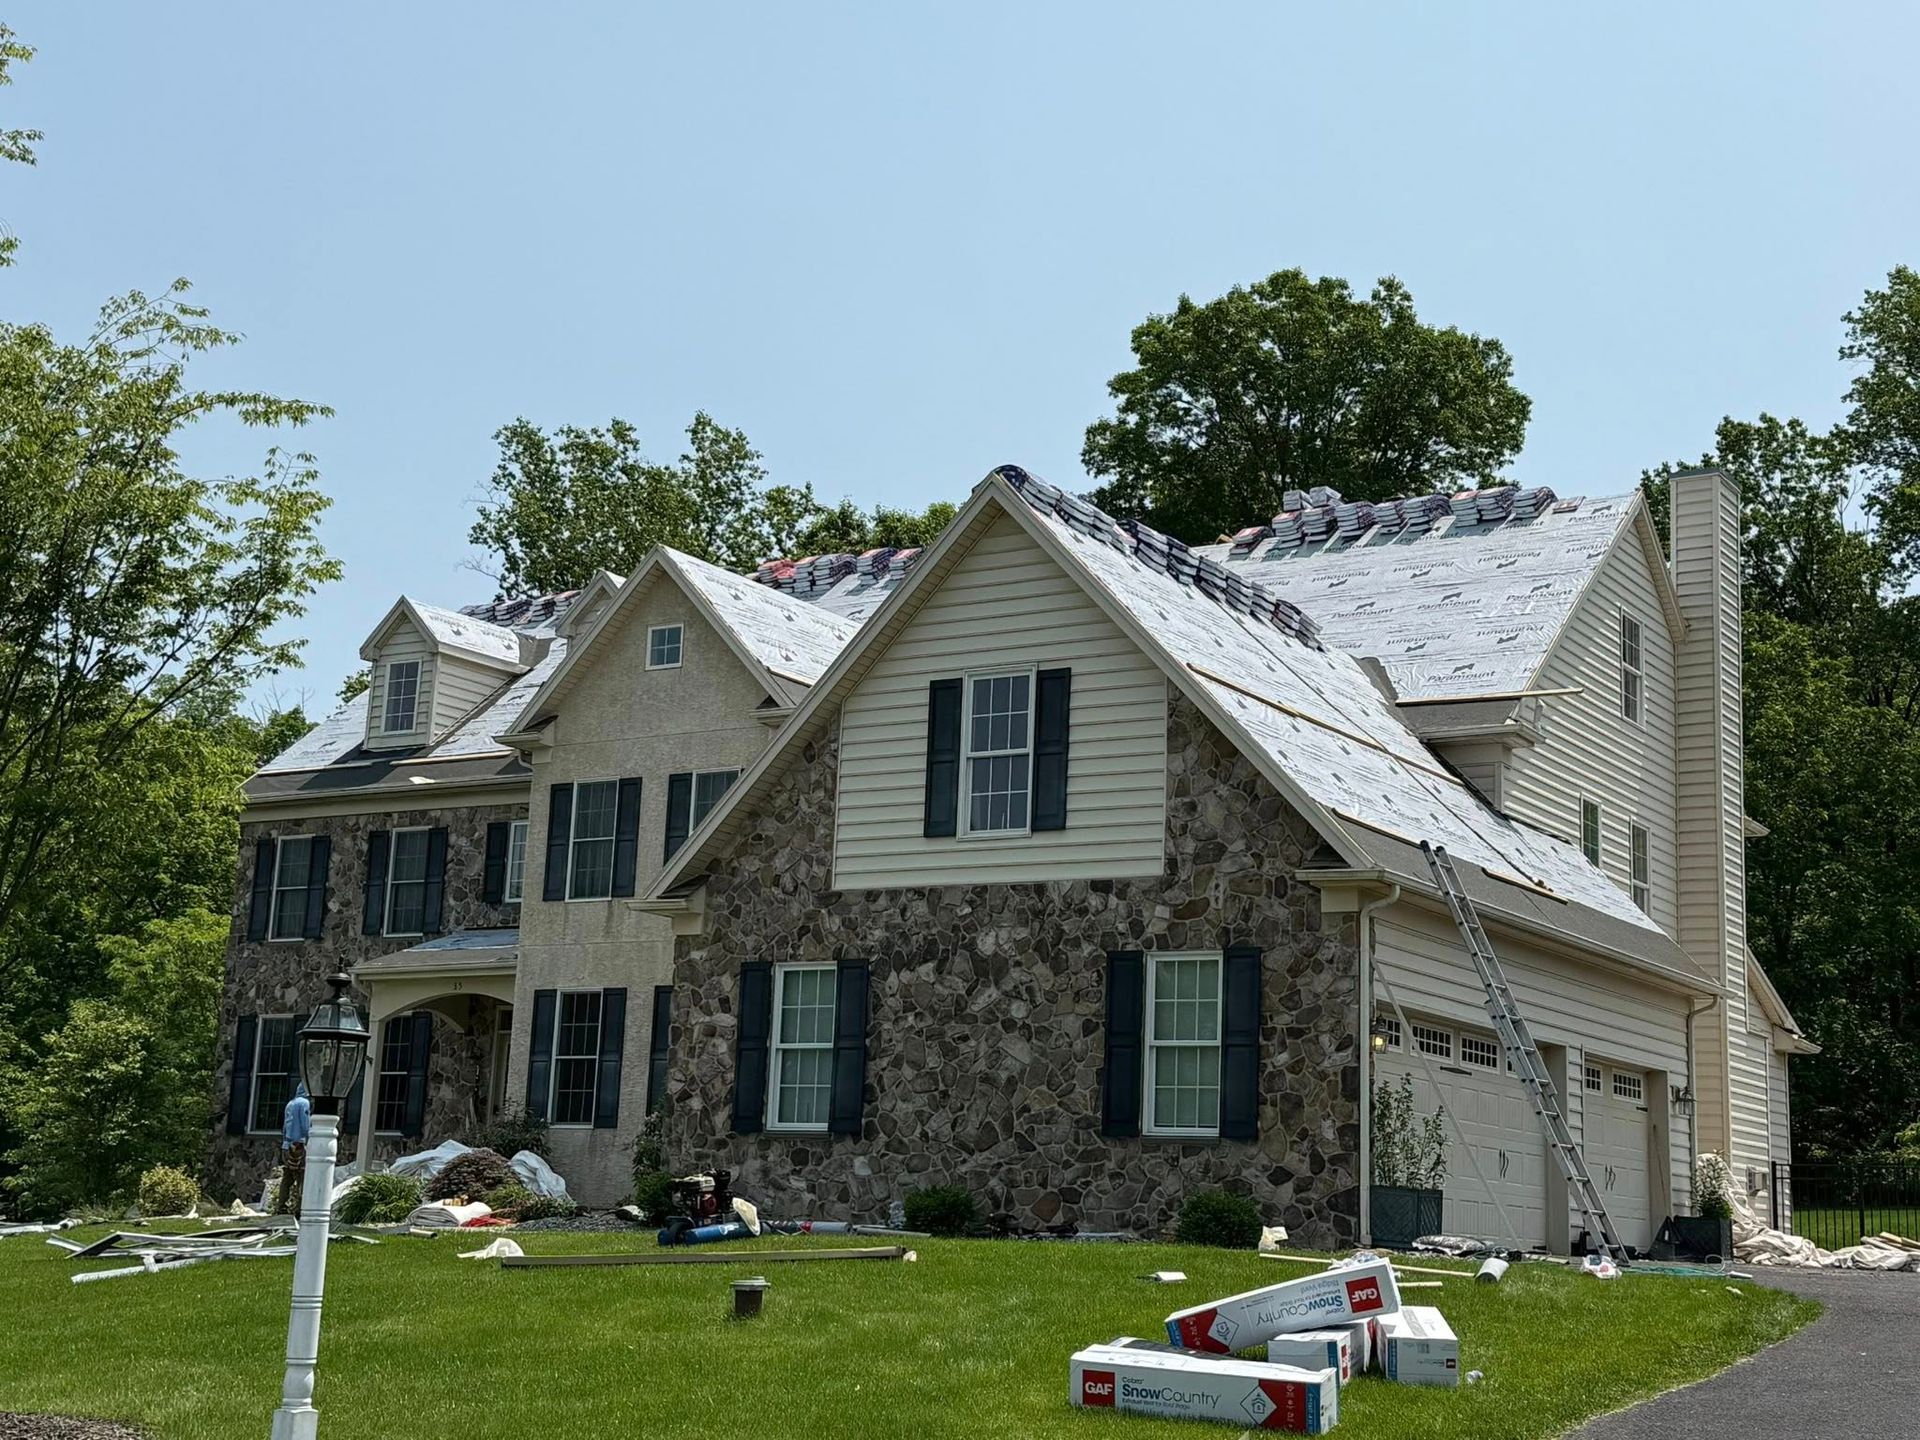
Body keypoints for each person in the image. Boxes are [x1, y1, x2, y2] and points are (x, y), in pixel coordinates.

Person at [274, 1082, 312, 1215]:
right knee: (302, 1177)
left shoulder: (290, 1104)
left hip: (287, 1145)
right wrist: (310, 1140)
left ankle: (281, 1206)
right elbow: (305, 1126)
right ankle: (300, 1208)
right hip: (299, 1145)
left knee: (287, 1178)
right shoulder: (304, 1104)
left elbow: (285, 1127)